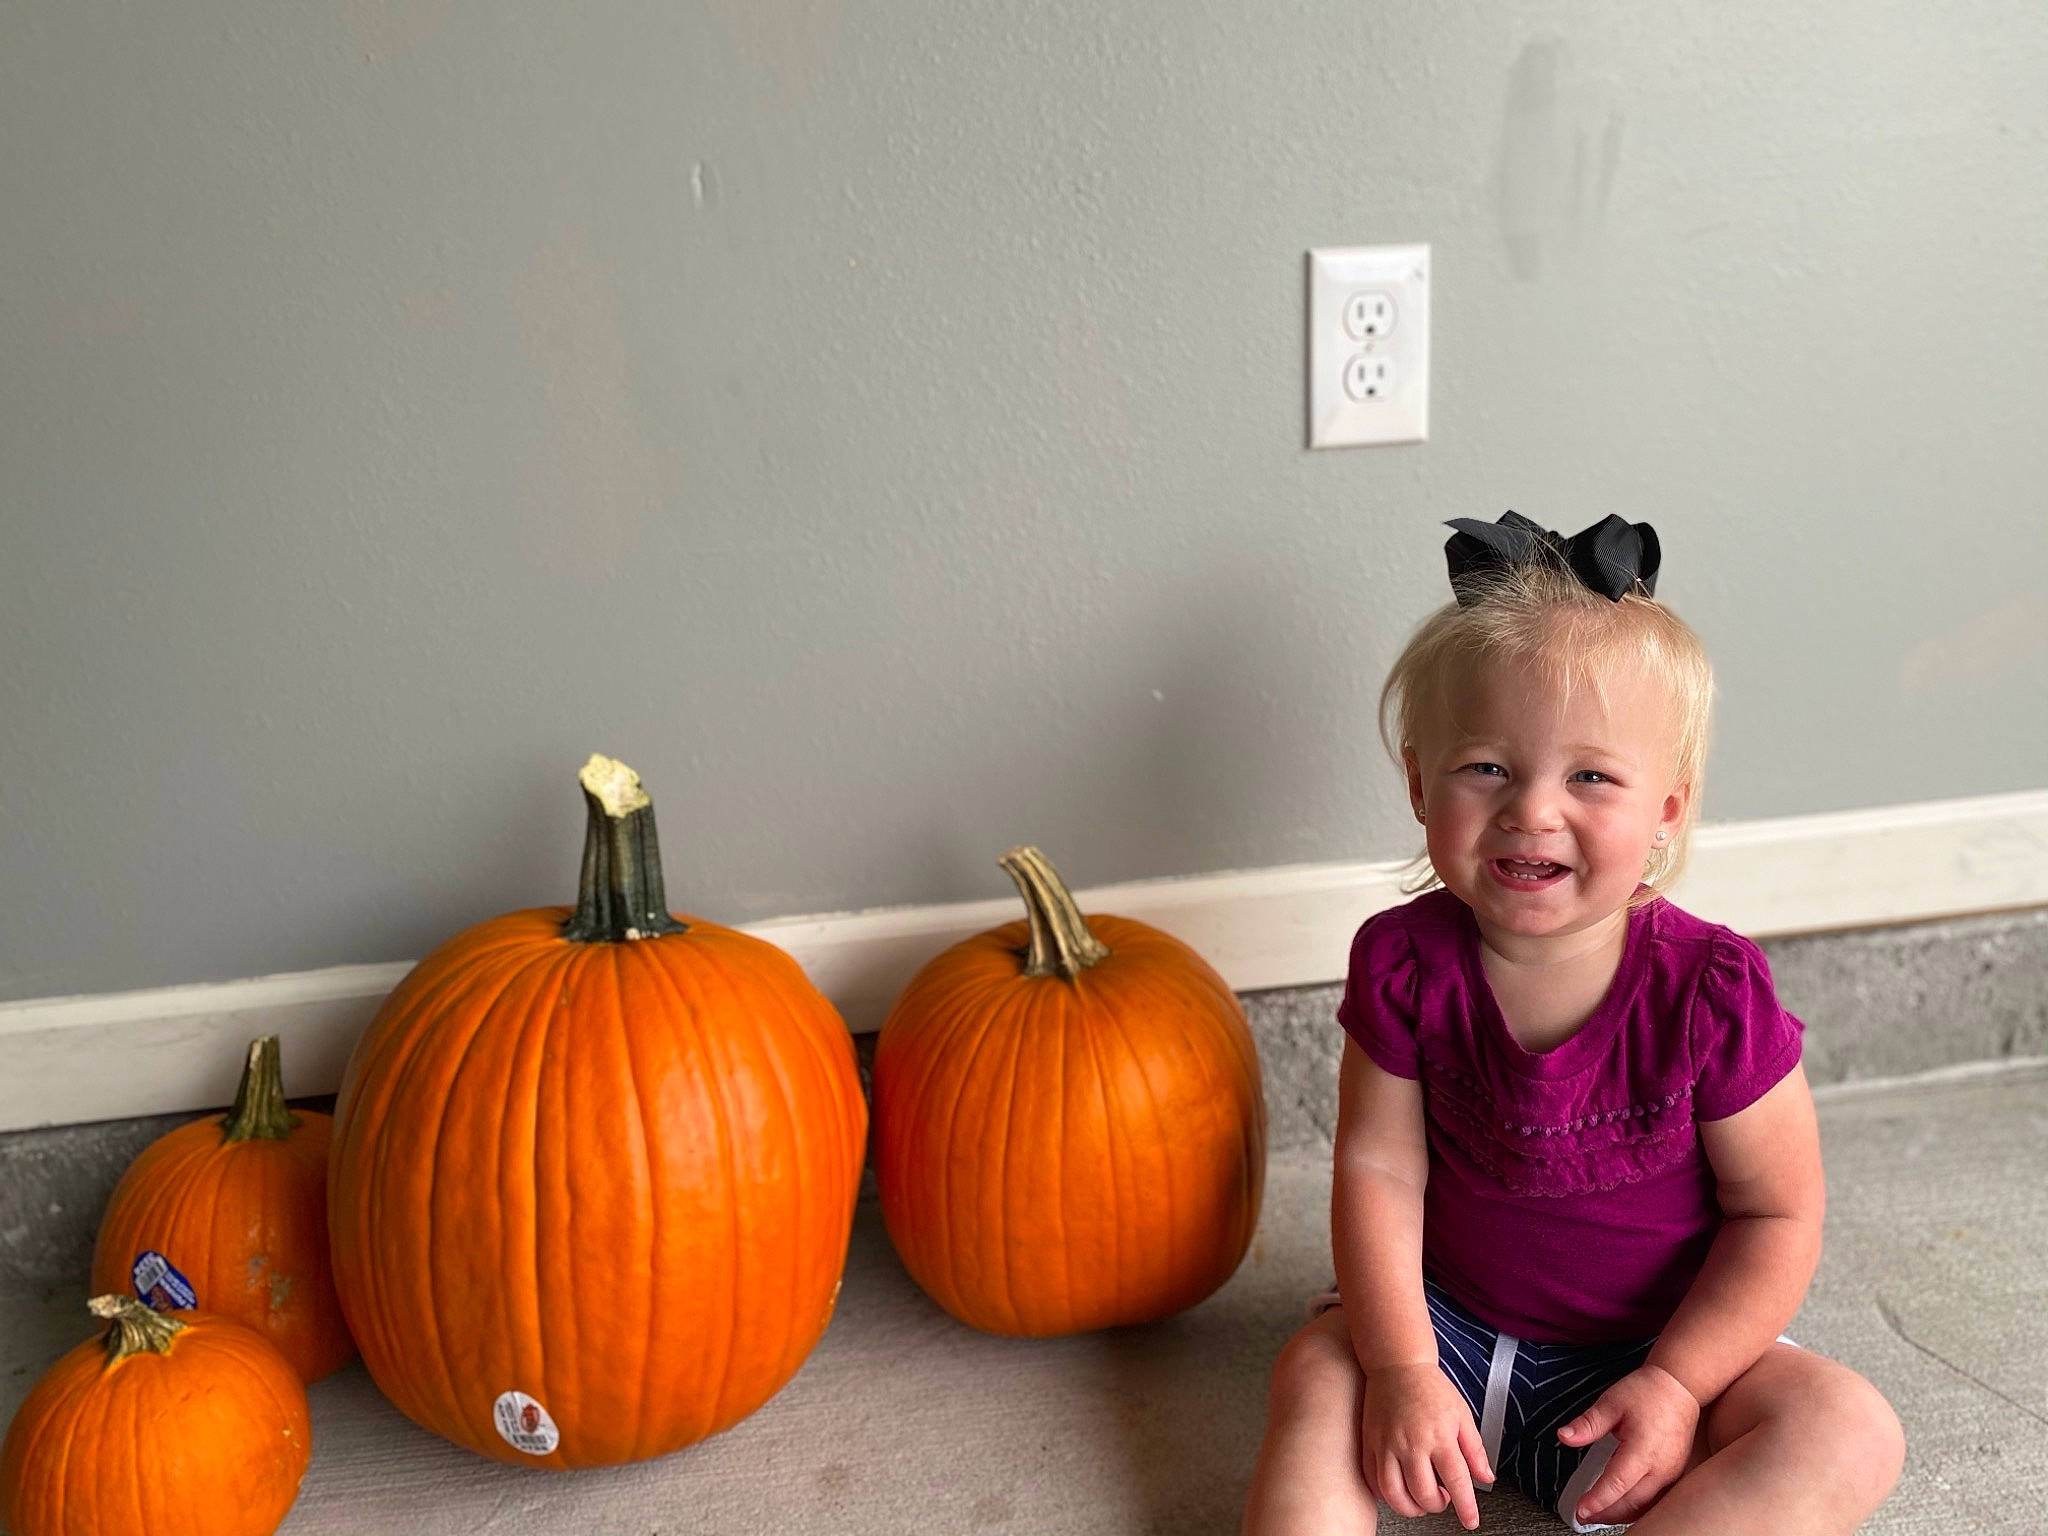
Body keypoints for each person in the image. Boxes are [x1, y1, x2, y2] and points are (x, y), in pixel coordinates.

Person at [1241, 514, 1904, 1535]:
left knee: (1848, 1431)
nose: (1531, 812)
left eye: (1589, 777)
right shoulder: (1402, 961)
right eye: (1485, 769)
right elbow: (1376, 1171)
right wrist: (1401, 1365)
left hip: (1648, 1356)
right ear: (1419, 782)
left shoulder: (1710, 990)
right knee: (1317, 1372)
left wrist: (1680, 1386)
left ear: (1666, 811)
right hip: (1444, 1331)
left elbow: (1777, 1216)